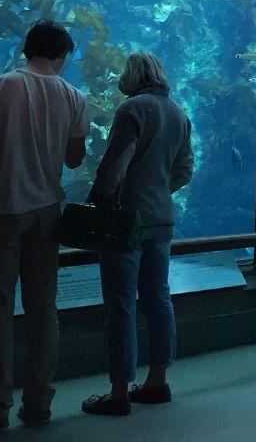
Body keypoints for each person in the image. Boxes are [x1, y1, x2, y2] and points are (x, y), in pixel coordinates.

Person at [81, 52, 193, 417]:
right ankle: (157, 380)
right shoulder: (178, 113)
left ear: (132, 76)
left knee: (121, 303)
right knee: (158, 298)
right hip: (161, 218)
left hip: (125, 219)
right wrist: (158, 190)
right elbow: (184, 170)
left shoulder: (132, 110)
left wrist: (97, 201)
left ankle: (118, 391)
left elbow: (116, 162)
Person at [0, 20, 89, 434]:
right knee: (42, 310)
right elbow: (73, 160)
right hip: (48, 211)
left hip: (1, 208)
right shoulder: (73, 96)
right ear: (62, 55)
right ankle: (39, 404)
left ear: (26, 49)